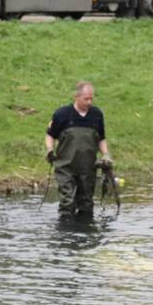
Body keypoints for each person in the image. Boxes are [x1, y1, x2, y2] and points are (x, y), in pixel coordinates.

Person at [45, 82, 111, 220]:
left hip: (88, 168)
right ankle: (66, 234)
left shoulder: (97, 115)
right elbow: (50, 135)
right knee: (67, 201)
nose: (89, 102)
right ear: (76, 96)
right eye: (86, 99)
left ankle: (85, 234)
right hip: (65, 167)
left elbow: (101, 138)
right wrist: (50, 150)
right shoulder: (62, 114)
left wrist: (106, 155)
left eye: (91, 98)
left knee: (86, 204)